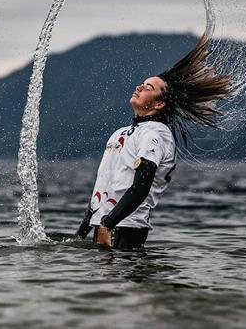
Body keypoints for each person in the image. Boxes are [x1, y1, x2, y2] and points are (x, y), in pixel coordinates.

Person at [76, 34, 230, 249]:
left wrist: (107, 224)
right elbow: (103, 185)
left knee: (122, 281)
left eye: (149, 87)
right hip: (102, 225)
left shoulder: (156, 134)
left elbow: (141, 186)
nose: (139, 87)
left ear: (159, 104)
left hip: (125, 228)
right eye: (142, 83)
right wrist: (83, 231)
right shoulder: (120, 133)